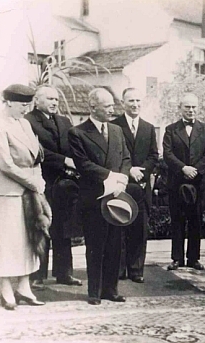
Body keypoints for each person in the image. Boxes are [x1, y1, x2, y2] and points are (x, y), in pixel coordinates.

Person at [68, 88, 135, 305]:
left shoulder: (116, 130)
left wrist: (122, 178)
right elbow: (83, 164)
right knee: (96, 246)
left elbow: (126, 157)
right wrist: (111, 176)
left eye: (112, 105)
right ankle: (94, 291)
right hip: (95, 198)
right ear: (93, 107)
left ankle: (110, 289)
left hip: (116, 195)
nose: (112, 110)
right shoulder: (77, 133)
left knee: (115, 245)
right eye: (106, 106)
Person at [0, 84, 46, 309]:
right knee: (10, 241)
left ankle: (24, 287)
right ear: (9, 102)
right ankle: (6, 290)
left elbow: (36, 157)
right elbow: (6, 165)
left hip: (29, 189)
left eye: (28, 105)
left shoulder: (25, 123)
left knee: (29, 238)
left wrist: (39, 180)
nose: (25, 109)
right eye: (22, 105)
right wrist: (33, 182)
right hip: (9, 192)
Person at [25, 85, 82, 289]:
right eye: (49, 98)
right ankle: (37, 275)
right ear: (37, 100)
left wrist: (75, 163)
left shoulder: (65, 121)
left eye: (56, 99)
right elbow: (36, 151)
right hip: (42, 181)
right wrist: (65, 161)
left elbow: (75, 147)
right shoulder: (28, 121)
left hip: (64, 184)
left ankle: (64, 273)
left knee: (63, 228)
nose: (54, 102)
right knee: (41, 228)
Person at [111, 88, 159, 283]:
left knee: (140, 227)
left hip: (142, 184)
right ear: (123, 103)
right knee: (120, 225)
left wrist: (142, 171)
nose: (135, 104)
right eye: (131, 100)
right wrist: (129, 170)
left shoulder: (148, 128)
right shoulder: (114, 126)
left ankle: (136, 269)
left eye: (138, 100)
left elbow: (154, 156)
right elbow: (113, 154)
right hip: (122, 183)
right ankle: (119, 268)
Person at [163, 93, 205, 271]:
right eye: (187, 107)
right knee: (177, 219)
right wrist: (183, 168)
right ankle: (177, 258)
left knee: (196, 219)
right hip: (177, 181)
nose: (191, 110)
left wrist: (196, 170)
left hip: (198, 182)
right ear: (180, 108)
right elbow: (167, 154)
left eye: (193, 107)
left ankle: (194, 258)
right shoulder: (171, 129)